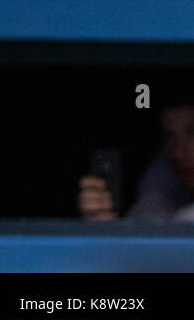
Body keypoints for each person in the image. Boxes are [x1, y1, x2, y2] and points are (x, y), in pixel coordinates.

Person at [78, 77, 194, 224]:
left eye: (192, 133)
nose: (178, 152)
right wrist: (103, 228)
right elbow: (150, 209)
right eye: (170, 136)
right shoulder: (164, 170)